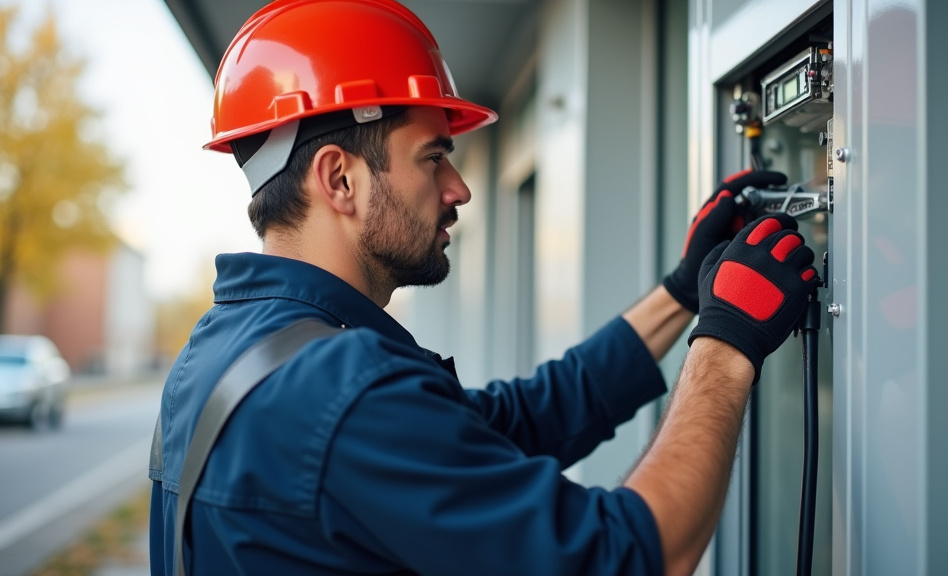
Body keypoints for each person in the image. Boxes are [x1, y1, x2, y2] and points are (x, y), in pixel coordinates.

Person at [148, 1, 819, 575]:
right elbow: (630, 556)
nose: (459, 189)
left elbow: (519, 421)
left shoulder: (225, 355)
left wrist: (681, 295)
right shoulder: (340, 393)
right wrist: (727, 344)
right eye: (433, 157)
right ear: (339, 179)